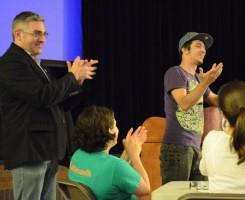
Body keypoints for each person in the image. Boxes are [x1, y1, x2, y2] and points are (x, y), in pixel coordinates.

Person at [0, 11, 98, 200]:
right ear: (18, 34)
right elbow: (41, 97)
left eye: (45, 34)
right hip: (30, 151)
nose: (42, 39)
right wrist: (70, 78)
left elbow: (59, 103)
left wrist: (76, 82)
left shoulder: (37, 64)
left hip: (46, 150)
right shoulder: (11, 63)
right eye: (36, 33)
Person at [160, 32, 223, 184]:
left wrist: (239, 97)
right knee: (175, 195)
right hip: (177, 147)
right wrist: (205, 83)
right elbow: (184, 104)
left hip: (196, 147)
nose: (203, 50)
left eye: (204, 48)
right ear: (184, 50)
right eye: (198, 46)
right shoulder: (175, 72)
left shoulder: (196, 78)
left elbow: (215, 100)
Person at [68, 106, 150, 200]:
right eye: (115, 125)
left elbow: (113, 175)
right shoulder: (115, 167)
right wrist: (135, 155)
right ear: (110, 130)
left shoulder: (77, 155)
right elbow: (145, 189)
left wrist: (128, 151)